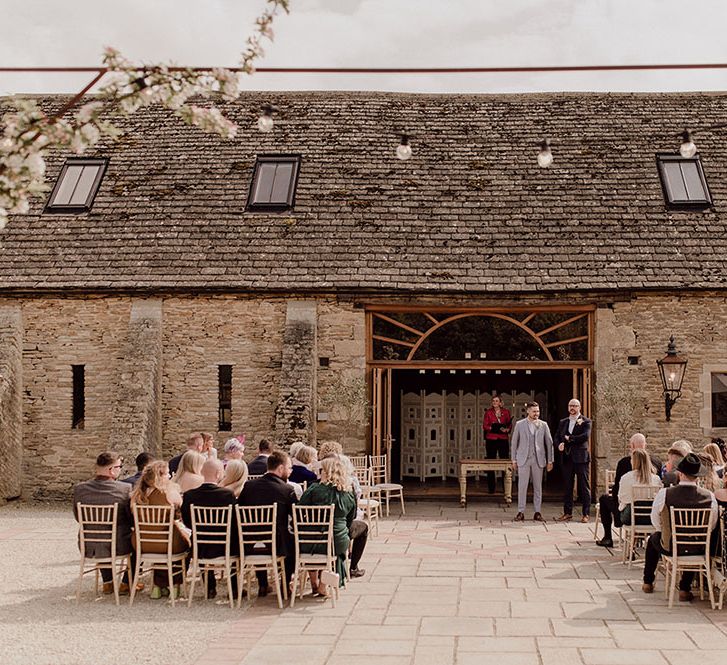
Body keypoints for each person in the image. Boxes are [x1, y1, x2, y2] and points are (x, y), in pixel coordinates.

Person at [642, 453, 718, 601]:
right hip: (699, 546)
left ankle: (648, 581)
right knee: (693, 541)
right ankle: (684, 588)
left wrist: (664, 532)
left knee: (653, 539)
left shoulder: (666, 493)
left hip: (670, 546)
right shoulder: (709, 497)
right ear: (697, 477)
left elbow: (654, 519)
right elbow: (712, 524)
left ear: (681, 473)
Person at [298, 456, 363, 595]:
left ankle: (315, 583)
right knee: (335, 546)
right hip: (336, 541)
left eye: (322, 470)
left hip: (309, 541)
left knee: (312, 540)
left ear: (326, 472)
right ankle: (323, 584)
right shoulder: (348, 493)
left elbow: (299, 509)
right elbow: (350, 519)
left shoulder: (314, 489)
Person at [72, 451, 134, 595]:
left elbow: (78, 517)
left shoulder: (80, 489)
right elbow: (129, 518)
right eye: (119, 467)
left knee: (102, 536)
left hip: (88, 545)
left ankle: (108, 582)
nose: (120, 469)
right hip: (118, 544)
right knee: (139, 542)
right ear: (111, 470)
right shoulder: (124, 489)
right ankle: (126, 583)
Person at [238, 450, 297, 595]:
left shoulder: (249, 486)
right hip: (277, 544)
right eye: (289, 468)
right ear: (281, 468)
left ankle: (263, 584)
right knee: (294, 542)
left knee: (259, 534)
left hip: (249, 544)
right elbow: (296, 517)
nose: (290, 472)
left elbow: (238, 510)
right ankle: (285, 582)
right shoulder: (287, 489)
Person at [130, 460, 189, 599]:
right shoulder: (169, 492)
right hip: (168, 543)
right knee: (185, 545)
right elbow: (181, 509)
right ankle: (174, 584)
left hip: (141, 543)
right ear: (160, 476)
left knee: (160, 542)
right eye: (167, 474)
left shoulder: (137, 495)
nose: (169, 477)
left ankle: (158, 586)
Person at [181, 459, 238, 599]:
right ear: (218, 474)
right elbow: (234, 521)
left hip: (200, 546)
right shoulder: (227, 495)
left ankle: (210, 587)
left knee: (199, 539)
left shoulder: (190, 496)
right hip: (225, 545)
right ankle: (234, 588)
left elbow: (187, 522)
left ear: (201, 472)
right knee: (236, 539)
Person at [596, 433, 652, 548]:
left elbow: (617, 491)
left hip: (629, 513)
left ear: (631, 445)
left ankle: (608, 537)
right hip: (649, 514)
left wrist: (619, 509)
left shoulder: (625, 463)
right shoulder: (655, 462)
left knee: (604, 499)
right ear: (645, 445)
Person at [511, 402, 554, 522]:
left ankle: (537, 512)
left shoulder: (543, 425)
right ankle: (521, 511)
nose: (537, 414)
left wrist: (550, 461)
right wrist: (513, 460)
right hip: (523, 459)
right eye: (534, 411)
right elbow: (514, 443)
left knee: (538, 487)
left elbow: (549, 443)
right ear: (528, 411)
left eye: (538, 411)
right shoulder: (520, 424)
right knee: (522, 486)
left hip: (538, 459)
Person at [554, 398, 592, 523]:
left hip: (581, 458)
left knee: (584, 486)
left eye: (575, 405)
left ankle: (586, 514)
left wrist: (569, 438)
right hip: (567, 458)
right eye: (571, 405)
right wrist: (559, 444)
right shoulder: (563, 422)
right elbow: (557, 436)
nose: (573, 408)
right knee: (567, 486)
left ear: (579, 407)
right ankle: (567, 513)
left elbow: (585, 436)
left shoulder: (586, 421)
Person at [617, 449, 662, 526]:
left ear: (634, 461)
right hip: (650, 516)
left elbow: (622, 498)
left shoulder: (626, 477)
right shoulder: (656, 478)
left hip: (631, 517)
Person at [482, 394, 512, 494]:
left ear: (500, 402)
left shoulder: (506, 412)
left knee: (505, 462)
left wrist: (507, 429)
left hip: (503, 439)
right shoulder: (488, 412)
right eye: (493, 401)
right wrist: (493, 428)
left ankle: (506, 488)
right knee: (490, 462)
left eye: (496, 401)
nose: (494, 402)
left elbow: (509, 424)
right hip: (491, 439)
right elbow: (485, 425)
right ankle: (491, 488)